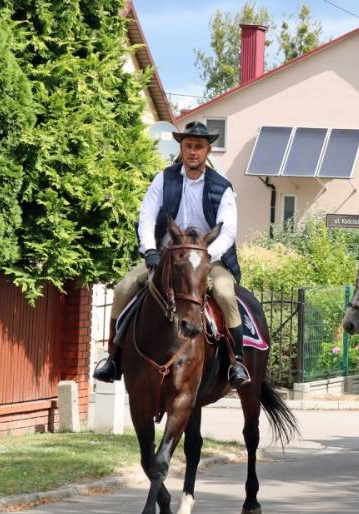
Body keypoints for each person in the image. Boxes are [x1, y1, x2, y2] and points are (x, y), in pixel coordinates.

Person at [93, 121, 250, 388]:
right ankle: (113, 358)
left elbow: (228, 232)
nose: (193, 151)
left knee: (225, 293)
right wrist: (150, 250)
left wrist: (204, 257)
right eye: (188, 146)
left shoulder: (222, 186)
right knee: (123, 288)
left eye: (198, 146)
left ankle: (237, 362)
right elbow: (146, 216)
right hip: (167, 258)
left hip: (208, 259)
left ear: (208, 150)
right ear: (182, 148)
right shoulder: (163, 179)